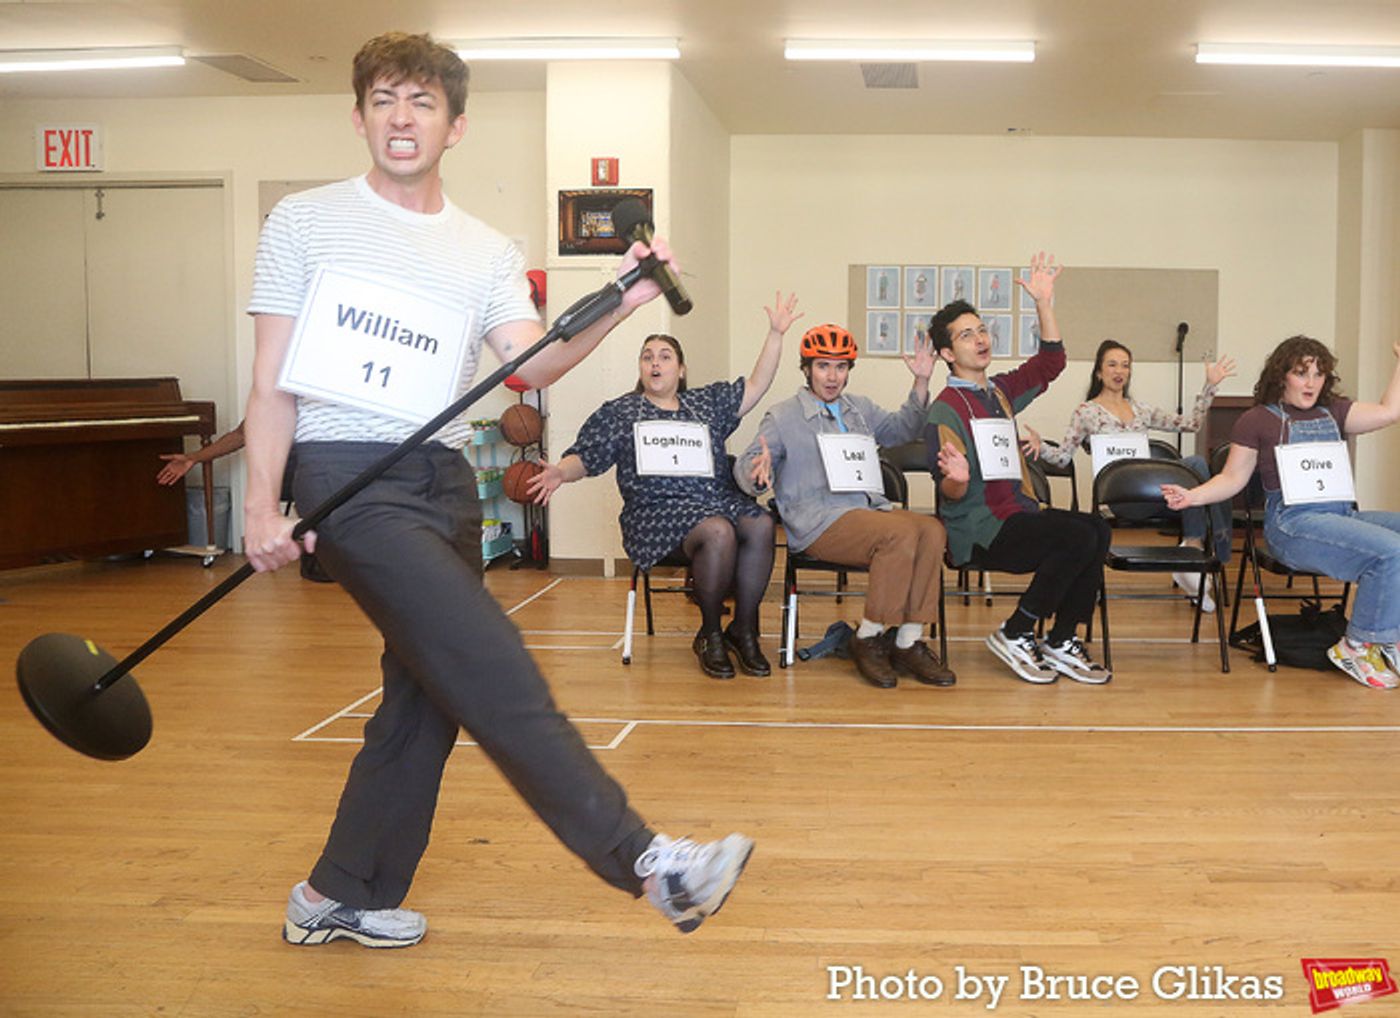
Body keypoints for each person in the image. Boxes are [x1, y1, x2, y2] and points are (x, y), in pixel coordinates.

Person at [243, 31, 752, 949]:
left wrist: (622, 301)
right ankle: (648, 862)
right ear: (359, 114)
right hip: (347, 474)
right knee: (485, 660)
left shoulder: (483, 247)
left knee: (425, 695)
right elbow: (271, 380)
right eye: (386, 100)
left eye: (422, 102)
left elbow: (531, 368)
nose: (403, 118)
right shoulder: (304, 222)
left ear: (456, 124)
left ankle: (335, 894)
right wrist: (260, 503)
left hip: (441, 480)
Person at [528, 294, 801, 679]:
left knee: (758, 522)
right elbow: (586, 458)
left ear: (681, 369)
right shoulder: (622, 412)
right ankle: (709, 634)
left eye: (665, 356)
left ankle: (743, 628)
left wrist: (775, 334)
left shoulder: (705, 405)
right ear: (641, 367)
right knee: (719, 530)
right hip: (655, 513)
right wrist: (560, 472)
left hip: (713, 502)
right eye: (647, 356)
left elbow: (756, 385)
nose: (655, 362)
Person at [1164, 336, 1400, 689]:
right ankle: (1357, 645)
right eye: (1301, 373)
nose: (1311, 382)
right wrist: (1192, 497)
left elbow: (1390, 411)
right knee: (1391, 550)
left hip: (1339, 517)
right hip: (1293, 524)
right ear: (1282, 376)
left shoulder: (1334, 410)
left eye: (1319, 374)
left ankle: (1387, 636)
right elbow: (1232, 478)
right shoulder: (1256, 420)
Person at [733, 322, 956, 690]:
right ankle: (867, 638)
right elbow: (749, 466)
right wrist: (759, 471)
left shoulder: (860, 409)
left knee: (932, 530)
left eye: (840, 367)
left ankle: (907, 641)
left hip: (867, 514)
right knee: (898, 533)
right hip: (819, 522)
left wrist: (920, 382)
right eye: (823, 366)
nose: (832, 376)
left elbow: (904, 430)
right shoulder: (783, 415)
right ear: (806, 369)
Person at [925, 253, 1113, 685]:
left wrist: (1044, 302)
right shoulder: (944, 411)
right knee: (1077, 535)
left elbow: (1050, 365)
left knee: (1097, 530)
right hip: (978, 530)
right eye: (966, 335)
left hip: (1018, 514)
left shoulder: (1000, 392)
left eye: (982, 330)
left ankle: (1061, 638)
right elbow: (949, 494)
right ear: (947, 352)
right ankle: (1016, 630)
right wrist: (956, 480)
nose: (980, 339)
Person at [1027, 339, 1237, 611]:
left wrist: (1210, 385)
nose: (1119, 371)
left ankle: (1194, 547)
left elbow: (1192, 424)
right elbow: (1063, 457)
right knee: (1195, 470)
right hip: (1120, 498)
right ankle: (1199, 558)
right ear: (1099, 372)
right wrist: (1040, 446)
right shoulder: (1086, 412)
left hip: (1154, 496)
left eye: (1125, 365)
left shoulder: (1141, 409)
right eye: (1112, 364)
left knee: (1196, 464)